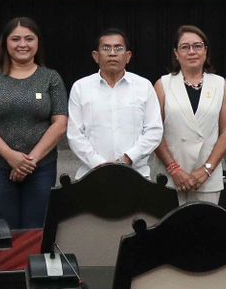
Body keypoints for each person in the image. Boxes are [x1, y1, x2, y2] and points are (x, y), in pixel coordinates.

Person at [0, 17, 68, 228]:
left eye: (29, 39)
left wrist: (28, 162)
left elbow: (60, 123)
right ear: (5, 43)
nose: (22, 44)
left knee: (36, 229)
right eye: (15, 39)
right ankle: (8, 264)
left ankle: (30, 263)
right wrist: (11, 157)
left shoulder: (51, 77)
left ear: (38, 43)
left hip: (41, 167)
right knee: (4, 228)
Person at [154, 26, 226, 205]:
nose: (192, 51)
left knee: (203, 230)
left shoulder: (220, 84)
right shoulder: (163, 84)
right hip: (170, 177)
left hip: (207, 177)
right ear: (176, 53)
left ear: (206, 51)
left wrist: (206, 170)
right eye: (185, 47)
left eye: (198, 46)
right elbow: (154, 131)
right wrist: (174, 170)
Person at [66, 29, 162, 178]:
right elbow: (75, 134)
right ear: (96, 56)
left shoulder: (144, 86)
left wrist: (128, 159)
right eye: (106, 48)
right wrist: (99, 165)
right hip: (91, 176)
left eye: (118, 48)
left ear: (128, 56)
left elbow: (154, 131)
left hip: (136, 175)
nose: (112, 53)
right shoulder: (80, 87)